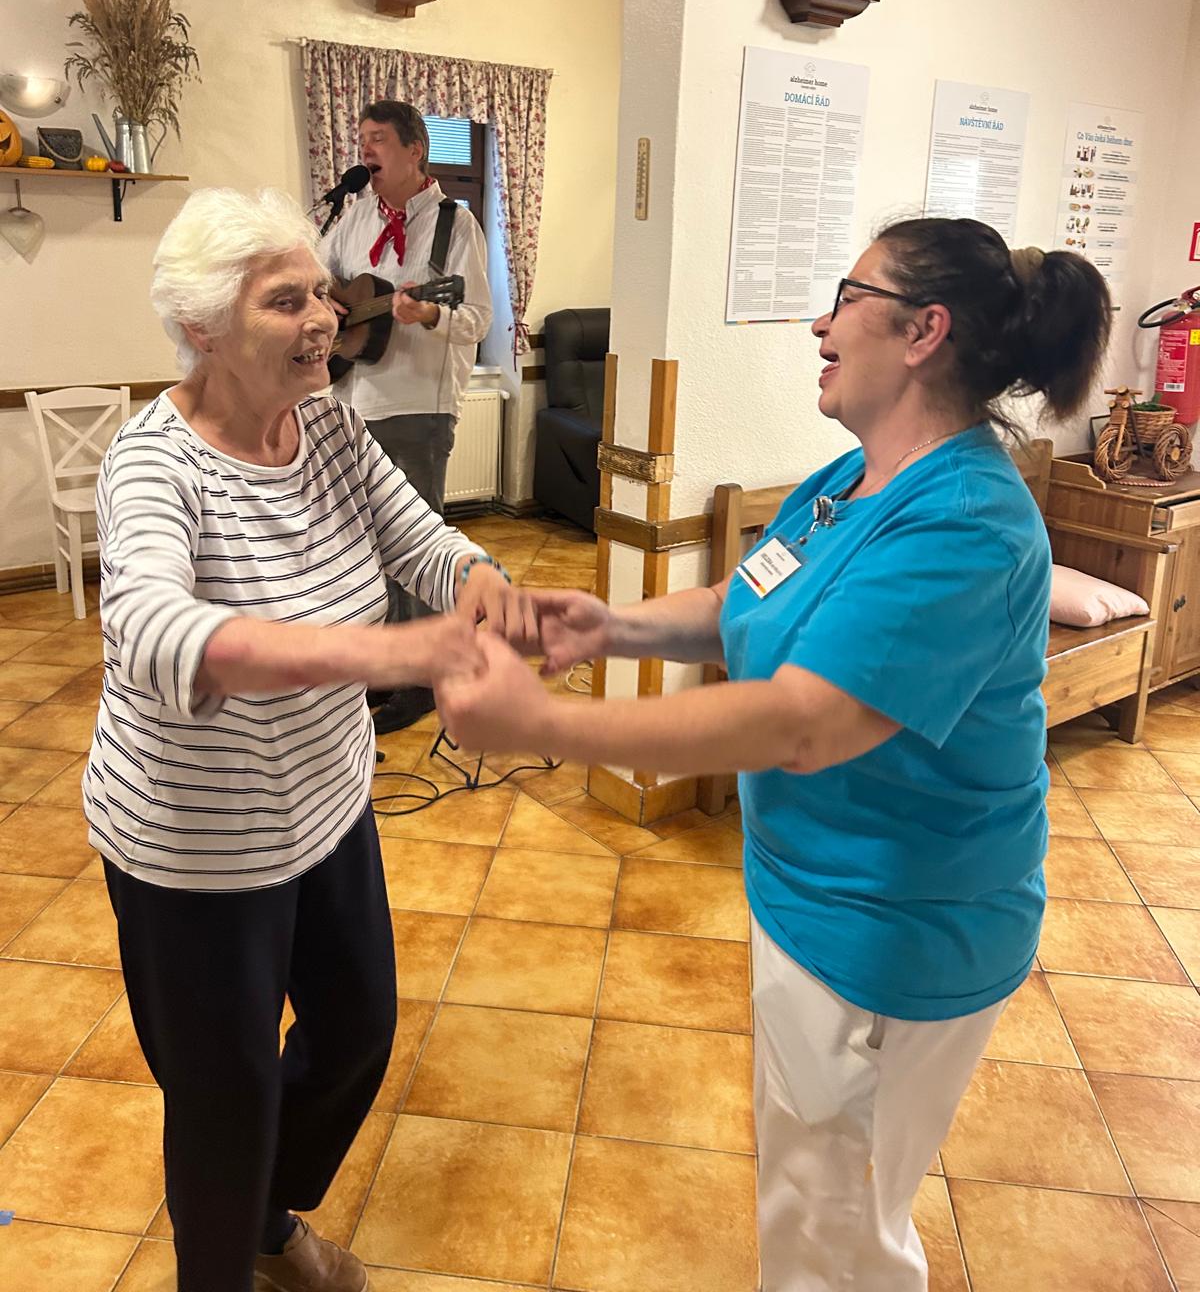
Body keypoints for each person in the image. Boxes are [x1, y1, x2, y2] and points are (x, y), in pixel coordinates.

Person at [434, 218, 1112, 1292]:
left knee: (837, 1237)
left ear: (924, 331)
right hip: (807, 901)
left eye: (847, 296)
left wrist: (544, 726)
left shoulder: (968, 524)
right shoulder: (853, 481)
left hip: (895, 938)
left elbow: (802, 722)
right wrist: (607, 626)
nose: (818, 323)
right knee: (810, 1192)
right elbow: (738, 600)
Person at [84, 188, 528, 1292]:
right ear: (202, 328)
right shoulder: (154, 464)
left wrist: (479, 579)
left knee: (357, 1031)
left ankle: (260, 1211)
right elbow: (152, 629)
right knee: (221, 1101)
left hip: (326, 810)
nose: (324, 317)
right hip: (194, 851)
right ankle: (237, 1238)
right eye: (287, 301)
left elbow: (414, 536)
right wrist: (391, 652)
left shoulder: (326, 423)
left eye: (321, 293)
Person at [326, 100, 493, 732]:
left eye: (378, 139)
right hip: (353, 403)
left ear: (415, 149)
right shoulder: (353, 215)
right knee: (366, 544)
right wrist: (332, 304)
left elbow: (477, 318)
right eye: (361, 138)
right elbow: (320, 277)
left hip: (419, 404)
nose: (365, 150)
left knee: (415, 545)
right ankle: (389, 664)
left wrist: (429, 314)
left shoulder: (455, 224)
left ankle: (423, 677)